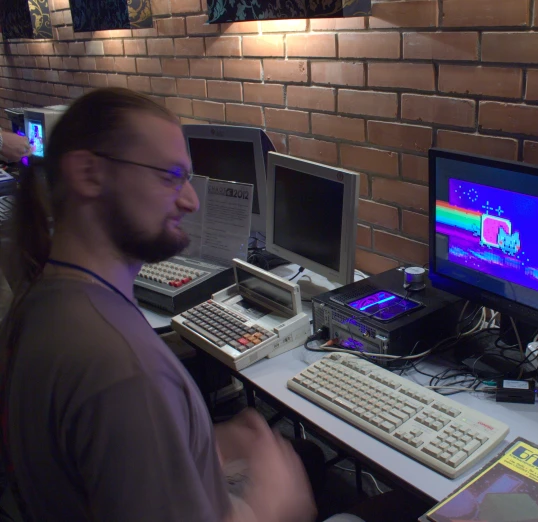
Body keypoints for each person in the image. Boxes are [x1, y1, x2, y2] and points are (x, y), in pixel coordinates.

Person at [0, 88, 319, 522]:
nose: (191, 200)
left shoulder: (42, 302)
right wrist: (274, 502)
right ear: (88, 173)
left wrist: (192, 444)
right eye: (169, 176)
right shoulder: (122, 368)